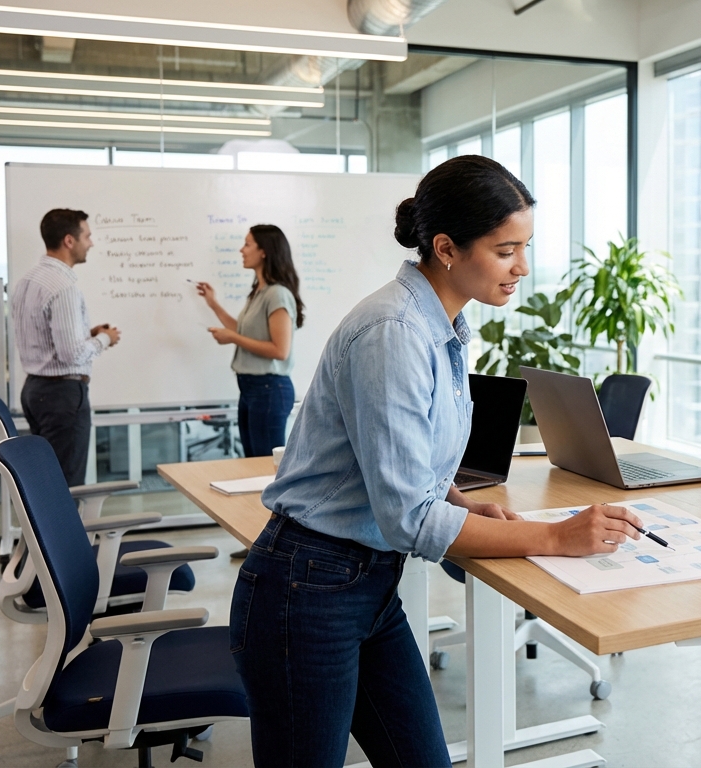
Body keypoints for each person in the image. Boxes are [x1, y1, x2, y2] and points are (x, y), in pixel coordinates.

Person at [229, 155, 645, 767]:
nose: (522, 268)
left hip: (365, 584)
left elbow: (408, 466)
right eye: (506, 251)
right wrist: (555, 536)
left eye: (524, 247)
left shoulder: (441, 325)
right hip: (308, 588)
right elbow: (408, 522)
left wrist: (455, 499)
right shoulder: (394, 332)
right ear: (447, 248)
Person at [12, 208, 122, 486]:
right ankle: (60, 531)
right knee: (65, 487)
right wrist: (105, 338)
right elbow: (71, 354)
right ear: (69, 241)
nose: (92, 243)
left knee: (45, 482)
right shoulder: (63, 286)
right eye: (87, 235)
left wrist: (88, 333)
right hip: (61, 396)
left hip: (35, 391)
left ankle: (39, 532)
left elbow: (44, 337)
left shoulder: (28, 280)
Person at [195, 224, 304, 459]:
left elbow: (280, 350)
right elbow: (243, 331)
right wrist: (213, 304)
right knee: (252, 463)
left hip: (269, 389)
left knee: (263, 468)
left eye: (247, 244)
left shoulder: (277, 294)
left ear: (263, 250)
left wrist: (232, 338)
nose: (241, 250)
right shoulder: (260, 292)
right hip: (250, 388)